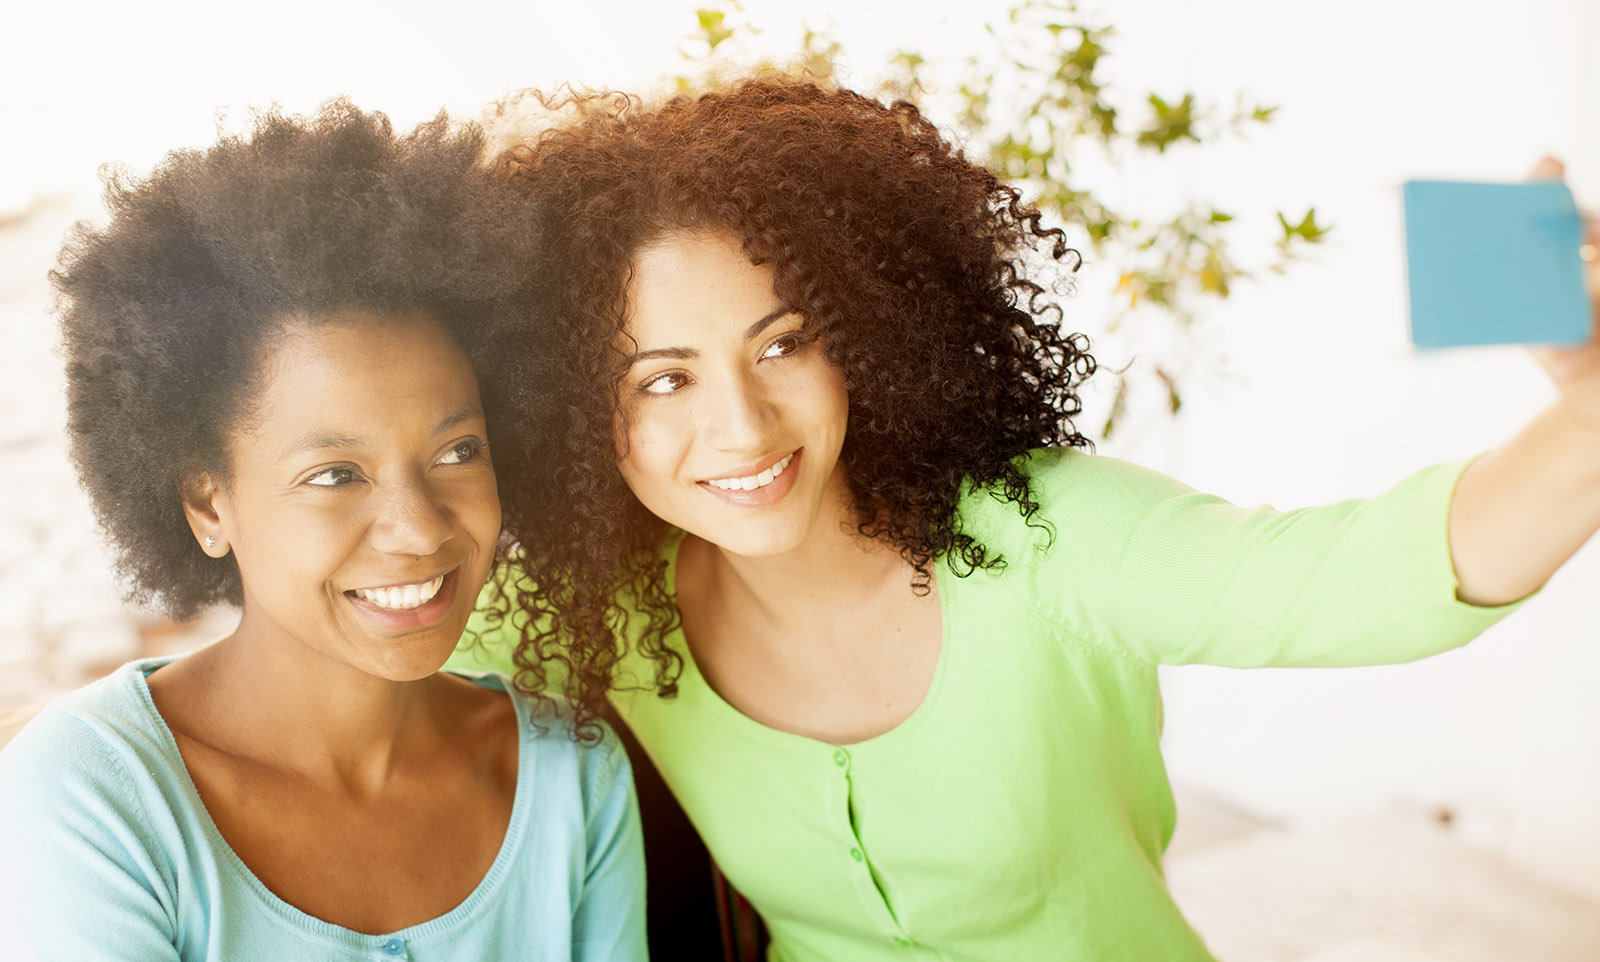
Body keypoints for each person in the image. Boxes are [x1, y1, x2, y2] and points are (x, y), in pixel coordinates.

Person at [452, 77, 1600, 961]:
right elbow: (357, 659)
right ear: (568, 410)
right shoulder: (591, 604)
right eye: (662, 380)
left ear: (868, 328)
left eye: (785, 342)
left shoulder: (1048, 536)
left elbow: (1367, 577)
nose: (741, 425)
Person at [0, 102, 647, 961]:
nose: (418, 530)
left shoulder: (573, 776)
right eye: (334, 475)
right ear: (207, 506)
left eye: (458, 450)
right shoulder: (95, 792)